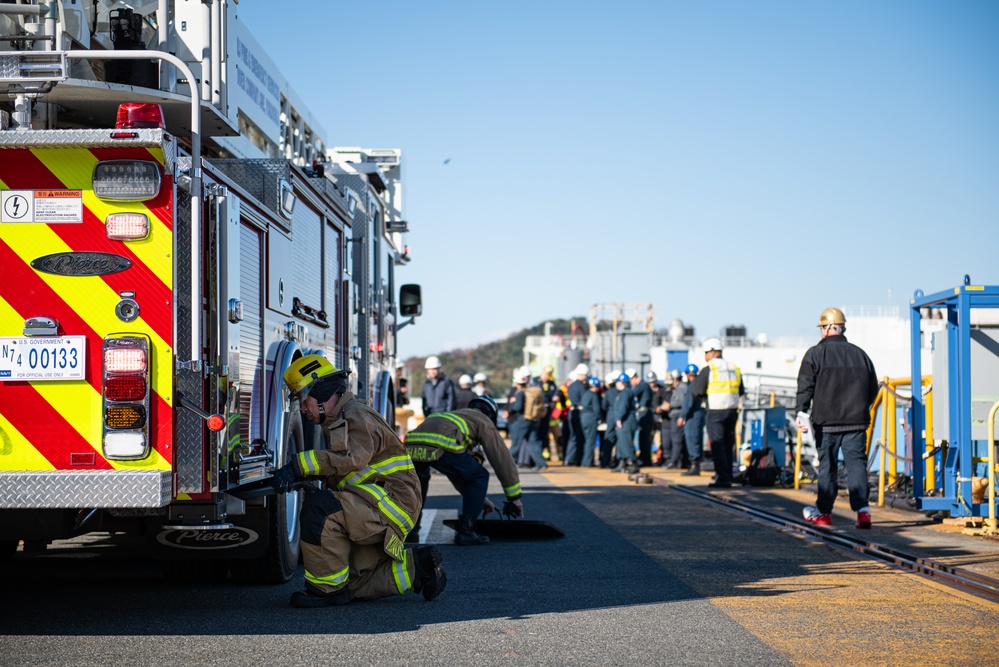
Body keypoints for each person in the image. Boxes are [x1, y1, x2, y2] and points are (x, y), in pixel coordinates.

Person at [275, 354, 446, 607]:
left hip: (390, 506)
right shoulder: (341, 417)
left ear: (321, 391)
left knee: (320, 508)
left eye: (303, 398)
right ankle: (416, 569)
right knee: (354, 581)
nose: (302, 408)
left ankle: (325, 590)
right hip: (377, 503)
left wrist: (298, 466)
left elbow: (350, 458)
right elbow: (346, 468)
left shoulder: (356, 416)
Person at [405, 394, 525, 545]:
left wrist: (480, 498)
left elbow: (458, 473)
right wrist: (514, 497)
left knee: (418, 485)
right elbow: (501, 458)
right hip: (442, 444)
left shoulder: (455, 416)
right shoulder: (484, 420)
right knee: (480, 476)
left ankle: (411, 530)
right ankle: (467, 531)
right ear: (490, 414)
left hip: (411, 446)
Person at [797, 308, 879, 528]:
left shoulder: (814, 354)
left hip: (826, 423)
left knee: (828, 467)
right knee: (857, 466)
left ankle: (823, 512)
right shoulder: (860, 354)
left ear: (826, 328)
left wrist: (801, 411)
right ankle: (863, 512)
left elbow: (805, 387)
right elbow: (873, 389)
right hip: (856, 422)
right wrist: (860, 407)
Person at [688, 338, 744, 487]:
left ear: (712, 352)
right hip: (732, 410)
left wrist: (705, 397)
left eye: (706, 353)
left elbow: (696, 391)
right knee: (727, 444)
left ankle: (723, 478)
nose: (705, 356)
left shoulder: (709, 368)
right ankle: (728, 475)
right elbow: (741, 390)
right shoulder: (734, 367)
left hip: (716, 411)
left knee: (717, 444)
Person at [679, 364, 706, 476]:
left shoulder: (692, 386)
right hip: (700, 414)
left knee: (692, 439)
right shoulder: (700, 384)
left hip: (693, 416)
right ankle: (696, 464)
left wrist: (682, 416)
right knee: (697, 439)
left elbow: (687, 403)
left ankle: (694, 466)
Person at [610, 372, 640, 473]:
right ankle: (622, 463)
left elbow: (623, 407)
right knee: (621, 443)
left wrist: (619, 419)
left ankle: (634, 463)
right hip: (625, 420)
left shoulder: (625, 393)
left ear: (622, 382)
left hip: (626, 421)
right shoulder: (625, 392)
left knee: (626, 443)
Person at [629, 369, 655, 466]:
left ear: (634, 378)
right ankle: (645, 459)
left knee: (644, 438)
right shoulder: (645, 385)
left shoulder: (642, 385)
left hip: (644, 414)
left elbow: (630, 394)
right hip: (645, 413)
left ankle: (645, 460)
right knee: (644, 438)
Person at [564, 364, 589, 466]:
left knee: (573, 437)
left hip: (572, 412)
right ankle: (578, 459)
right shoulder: (582, 387)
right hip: (580, 413)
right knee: (579, 437)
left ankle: (569, 458)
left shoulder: (571, 386)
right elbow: (585, 401)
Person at [665, 370, 688, 470]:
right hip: (677, 415)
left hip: (677, 415)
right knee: (677, 439)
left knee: (676, 440)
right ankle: (679, 461)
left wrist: (670, 405)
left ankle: (674, 461)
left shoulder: (681, 388)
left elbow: (682, 402)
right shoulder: (680, 387)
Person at [578, 376, 602, 467]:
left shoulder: (585, 394)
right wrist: (599, 418)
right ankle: (588, 462)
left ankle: (584, 461)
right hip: (591, 418)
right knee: (590, 441)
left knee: (586, 440)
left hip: (583, 418)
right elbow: (597, 409)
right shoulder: (594, 395)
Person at [538, 365, 561, 463]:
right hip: (540, 412)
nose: (546, 378)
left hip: (551, 413)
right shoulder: (536, 383)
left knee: (555, 434)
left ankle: (557, 453)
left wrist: (556, 396)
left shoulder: (552, 384)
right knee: (542, 434)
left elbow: (556, 393)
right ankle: (544, 452)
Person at [600, 371, 620, 468]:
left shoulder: (608, 393)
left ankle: (605, 461)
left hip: (611, 416)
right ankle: (618, 462)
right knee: (620, 440)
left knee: (609, 438)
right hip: (620, 416)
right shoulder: (622, 391)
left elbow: (604, 406)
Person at [653, 371, 673, 466]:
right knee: (665, 442)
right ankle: (666, 459)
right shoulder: (663, 392)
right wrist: (660, 407)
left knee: (674, 441)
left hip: (674, 420)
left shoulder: (678, 391)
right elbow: (656, 405)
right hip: (665, 420)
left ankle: (674, 460)